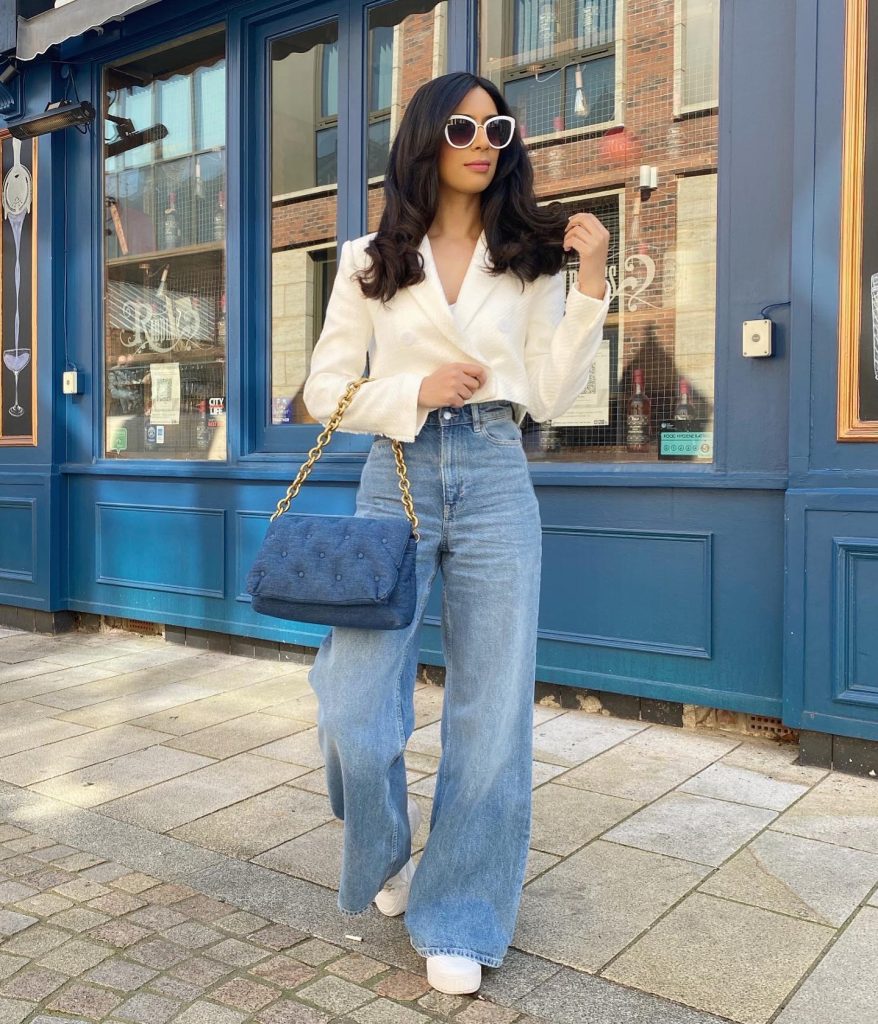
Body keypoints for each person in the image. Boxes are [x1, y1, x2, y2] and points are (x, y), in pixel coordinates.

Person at [302, 71, 610, 996]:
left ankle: (463, 912)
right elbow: (322, 392)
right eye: (466, 126)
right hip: (392, 474)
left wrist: (591, 278)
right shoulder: (367, 258)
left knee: (492, 704)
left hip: (494, 471)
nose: (485, 141)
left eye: (498, 128)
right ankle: (388, 849)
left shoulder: (529, 257)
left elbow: (553, 396)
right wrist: (410, 392)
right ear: (427, 137)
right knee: (355, 702)